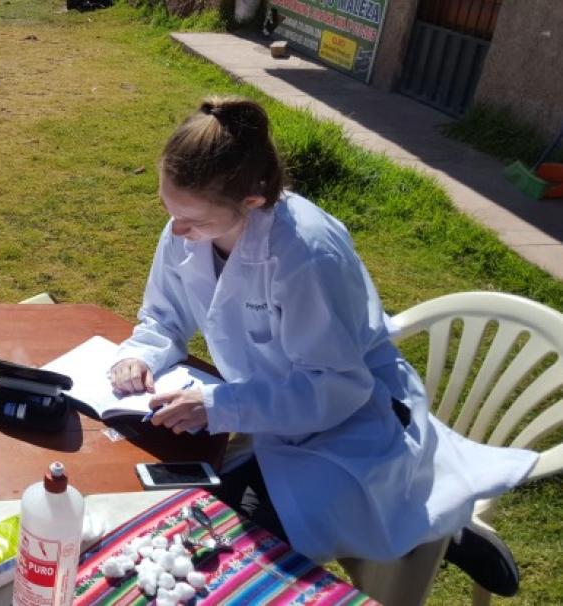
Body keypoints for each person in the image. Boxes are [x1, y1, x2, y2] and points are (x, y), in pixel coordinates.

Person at [109, 97, 538, 596]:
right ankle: (434, 524)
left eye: (193, 221)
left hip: (352, 424)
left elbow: (336, 388)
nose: (177, 232)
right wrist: (138, 354)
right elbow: (163, 315)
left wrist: (217, 405)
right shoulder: (191, 223)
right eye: (169, 209)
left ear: (250, 201)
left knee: (231, 542)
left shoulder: (307, 253)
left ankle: (441, 525)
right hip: (271, 412)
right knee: (187, 505)